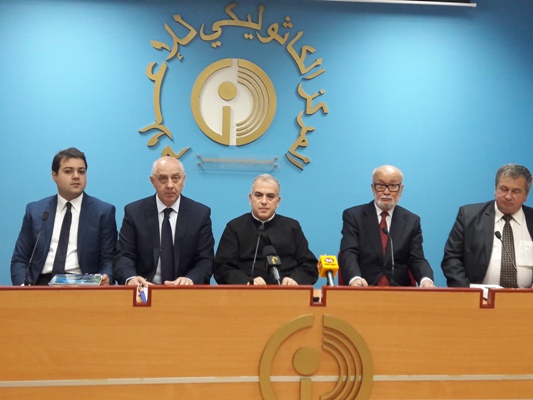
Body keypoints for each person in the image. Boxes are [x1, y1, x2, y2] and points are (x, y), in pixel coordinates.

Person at [11, 147, 117, 286]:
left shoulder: (102, 212)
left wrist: (106, 278)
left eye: (81, 171)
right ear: (54, 176)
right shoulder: (36, 211)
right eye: (68, 171)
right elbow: (20, 259)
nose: (76, 176)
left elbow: (108, 259)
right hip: (41, 284)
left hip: (84, 285)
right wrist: (22, 288)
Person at [113, 156, 214, 287]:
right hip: (145, 288)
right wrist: (131, 278)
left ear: (183, 180)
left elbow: (206, 260)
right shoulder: (135, 212)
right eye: (163, 179)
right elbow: (123, 256)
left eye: (175, 178)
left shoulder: (199, 214)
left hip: (184, 290)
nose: (170, 185)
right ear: (153, 181)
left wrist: (190, 279)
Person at [339, 165, 435, 287]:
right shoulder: (354, 216)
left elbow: (416, 258)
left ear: (401, 189)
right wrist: (355, 278)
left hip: (399, 291)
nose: (386, 192)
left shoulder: (411, 221)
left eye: (393, 186)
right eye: (380, 185)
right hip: (364, 287)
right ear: (373, 188)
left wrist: (426, 280)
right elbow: (349, 252)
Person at [214, 174, 318, 286]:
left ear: (278, 201)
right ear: (250, 199)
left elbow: (310, 265)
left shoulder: (292, 227)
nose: (264, 201)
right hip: (247, 293)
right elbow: (222, 268)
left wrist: (295, 280)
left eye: (270, 196)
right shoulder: (235, 227)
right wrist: (246, 282)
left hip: (286, 292)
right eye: (258, 195)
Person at [441, 164, 533, 288]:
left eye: (515, 191)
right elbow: (452, 258)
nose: (508, 196)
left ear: (526, 195)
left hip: (526, 297)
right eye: (504, 189)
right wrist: (467, 291)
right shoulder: (469, 216)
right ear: (495, 189)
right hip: (478, 296)